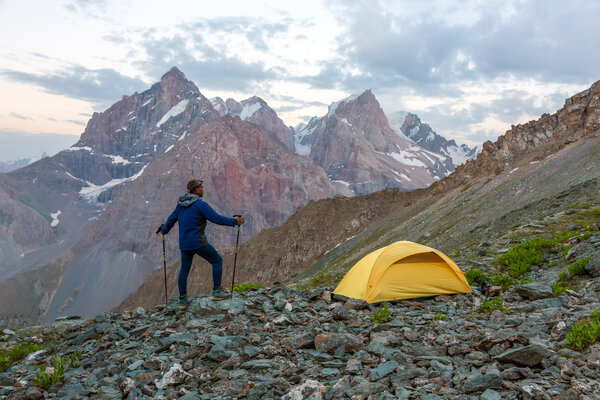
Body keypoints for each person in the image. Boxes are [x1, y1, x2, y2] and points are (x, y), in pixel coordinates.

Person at [161, 179, 243, 309]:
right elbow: (217, 219)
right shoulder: (200, 205)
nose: (203, 189)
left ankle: (182, 300)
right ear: (196, 189)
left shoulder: (180, 205)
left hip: (184, 244)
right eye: (201, 187)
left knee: (184, 270)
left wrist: (164, 230)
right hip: (198, 242)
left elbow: (171, 220)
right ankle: (217, 291)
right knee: (217, 260)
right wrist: (234, 221)